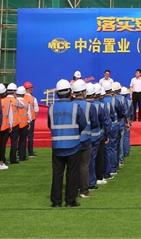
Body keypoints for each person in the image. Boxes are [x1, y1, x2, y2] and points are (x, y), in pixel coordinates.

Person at [49, 79, 87, 208]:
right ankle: (70, 201)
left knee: (57, 174)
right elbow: (83, 123)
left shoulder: (51, 108)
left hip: (57, 146)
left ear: (57, 93)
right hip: (73, 145)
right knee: (72, 173)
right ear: (70, 92)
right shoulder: (75, 107)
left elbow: (50, 125)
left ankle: (56, 201)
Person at [73, 79, 99, 198]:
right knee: (84, 165)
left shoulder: (71, 105)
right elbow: (95, 123)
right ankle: (84, 190)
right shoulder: (89, 106)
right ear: (84, 92)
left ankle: (73, 189)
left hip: (73, 140)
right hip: (86, 139)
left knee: (73, 166)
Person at [90, 86, 110, 187]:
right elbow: (105, 120)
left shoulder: (78, 105)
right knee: (99, 157)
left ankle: (84, 182)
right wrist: (107, 134)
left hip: (83, 137)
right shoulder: (100, 106)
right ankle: (98, 177)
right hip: (98, 135)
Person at [102, 82, 120, 180]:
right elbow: (119, 111)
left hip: (102, 128)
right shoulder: (114, 100)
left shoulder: (100, 102)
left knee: (105, 151)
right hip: (113, 125)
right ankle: (112, 169)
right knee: (113, 148)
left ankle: (105, 171)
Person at [0, 83, 18, 170]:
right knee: (3, 145)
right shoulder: (8, 101)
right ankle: (1, 162)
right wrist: (11, 124)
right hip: (5, 126)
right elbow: (10, 114)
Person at [23, 82, 39, 158]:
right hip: (31, 120)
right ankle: (30, 152)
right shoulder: (33, 99)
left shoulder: (21, 98)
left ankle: (20, 152)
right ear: (30, 90)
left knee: (22, 137)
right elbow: (36, 110)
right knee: (30, 137)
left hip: (22, 120)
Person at [15, 86, 30, 162]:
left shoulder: (14, 101)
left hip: (16, 123)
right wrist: (29, 122)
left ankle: (14, 156)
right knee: (23, 140)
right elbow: (28, 114)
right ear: (24, 94)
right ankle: (22, 156)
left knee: (15, 141)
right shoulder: (26, 102)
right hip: (24, 124)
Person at [121, 87, 133, 158]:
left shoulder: (118, 101)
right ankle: (126, 152)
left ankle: (121, 153)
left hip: (121, 121)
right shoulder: (129, 102)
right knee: (126, 137)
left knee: (121, 138)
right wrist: (130, 122)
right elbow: (131, 113)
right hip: (127, 121)